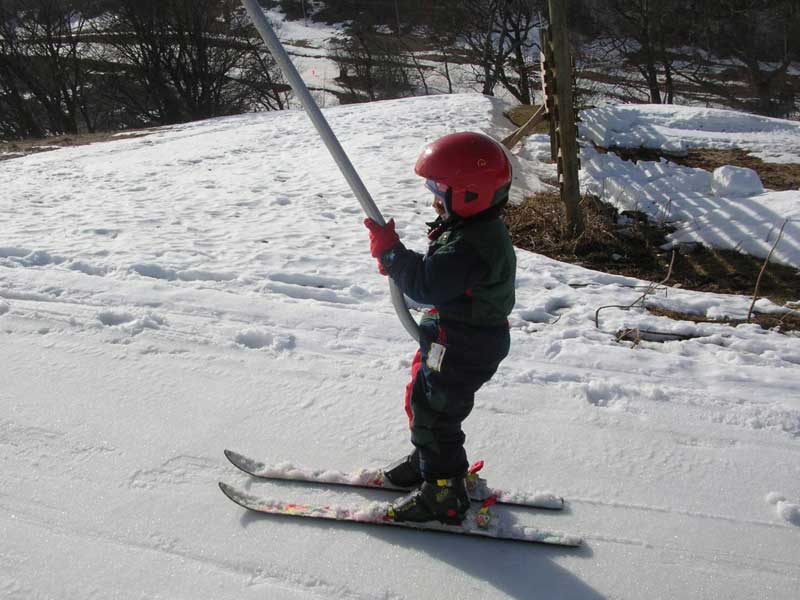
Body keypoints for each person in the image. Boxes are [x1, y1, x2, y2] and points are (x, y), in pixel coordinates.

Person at [364, 131, 517, 525]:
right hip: (456, 333)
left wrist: (392, 254)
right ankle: (429, 460)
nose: (433, 196)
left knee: (436, 413)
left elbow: (425, 285)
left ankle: (444, 493)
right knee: (424, 399)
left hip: (465, 344)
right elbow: (433, 282)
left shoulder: (470, 245)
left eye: (438, 188)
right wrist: (399, 261)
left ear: (470, 194)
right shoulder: (472, 230)